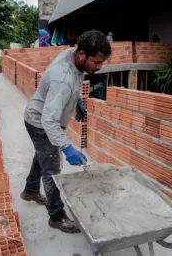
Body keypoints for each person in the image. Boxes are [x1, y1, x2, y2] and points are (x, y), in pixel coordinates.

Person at [20, 30, 112, 233]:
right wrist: (67, 147)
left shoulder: (72, 54)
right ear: (82, 55)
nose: (99, 67)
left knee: (43, 156)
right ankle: (57, 217)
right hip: (39, 122)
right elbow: (49, 121)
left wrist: (74, 99)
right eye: (96, 62)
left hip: (42, 114)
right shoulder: (63, 79)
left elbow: (69, 83)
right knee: (52, 169)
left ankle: (30, 191)